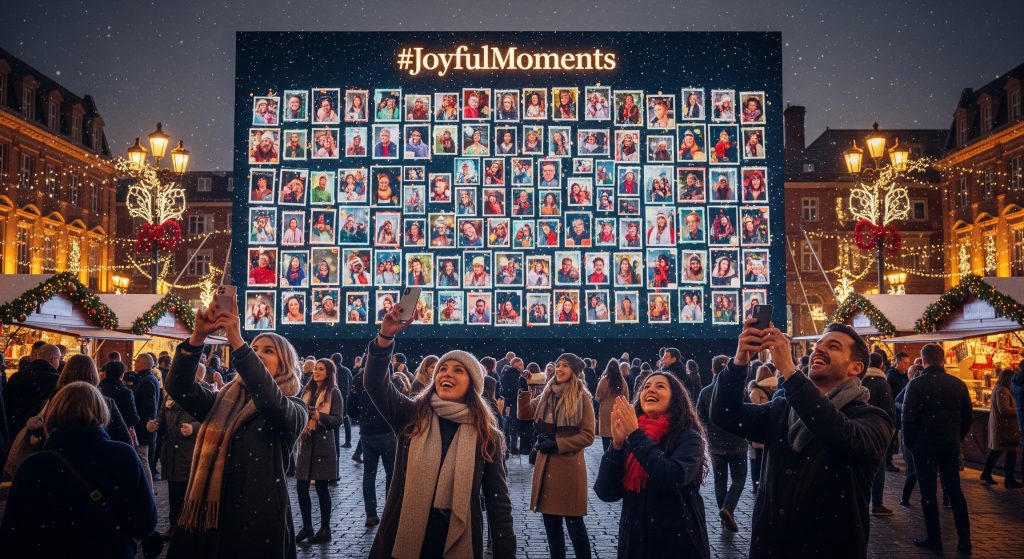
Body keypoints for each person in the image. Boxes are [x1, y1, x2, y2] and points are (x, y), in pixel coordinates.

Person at [711, 321, 893, 558]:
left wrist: (790, 370)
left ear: (855, 368)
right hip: (770, 549)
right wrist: (739, 362)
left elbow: (840, 436)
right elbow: (726, 415)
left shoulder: (872, 418)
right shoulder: (782, 408)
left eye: (833, 346)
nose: (818, 349)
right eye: (818, 344)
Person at [362, 305, 516, 558]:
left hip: (457, 540)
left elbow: (497, 499)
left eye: (458, 370)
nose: (447, 373)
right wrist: (385, 337)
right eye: (443, 369)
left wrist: (505, 549)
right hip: (404, 537)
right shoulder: (412, 415)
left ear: (473, 384)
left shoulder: (487, 434)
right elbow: (375, 384)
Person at [164, 301, 306, 558]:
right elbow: (179, 386)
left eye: (269, 351)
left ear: (284, 364)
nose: (259, 353)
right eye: (254, 349)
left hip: (257, 523)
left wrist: (239, 343)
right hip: (209, 521)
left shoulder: (294, 408)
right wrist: (198, 336)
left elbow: (270, 402)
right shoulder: (222, 400)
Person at [0, 382, 158, 557]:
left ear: (54, 414)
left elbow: (13, 535)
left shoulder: (34, 466)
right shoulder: (123, 456)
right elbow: (145, 522)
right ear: (102, 412)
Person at [594, 372, 710, 559]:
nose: (651, 389)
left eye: (660, 386)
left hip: (677, 544)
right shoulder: (632, 436)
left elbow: (672, 477)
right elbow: (606, 492)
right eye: (646, 386)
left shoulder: (689, 437)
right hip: (635, 543)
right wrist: (616, 447)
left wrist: (635, 435)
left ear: (675, 398)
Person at [521, 353, 596, 559]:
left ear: (574, 370)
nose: (559, 369)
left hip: (568, 469)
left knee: (575, 527)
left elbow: (588, 436)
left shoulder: (582, 396)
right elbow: (525, 414)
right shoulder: (547, 393)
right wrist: (525, 387)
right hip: (546, 468)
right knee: (552, 528)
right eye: (557, 365)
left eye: (565, 365)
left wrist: (558, 444)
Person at [902, 343, 974, 552]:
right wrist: (955, 437)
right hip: (949, 446)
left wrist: (911, 444)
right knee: (955, 491)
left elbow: (908, 420)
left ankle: (935, 538)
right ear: (943, 360)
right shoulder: (958, 384)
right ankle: (964, 539)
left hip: (923, 447)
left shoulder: (915, 385)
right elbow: (967, 417)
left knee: (928, 494)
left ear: (923, 361)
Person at [294, 359, 344, 543]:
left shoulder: (334, 393)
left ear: (329, 372)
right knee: (301, 487)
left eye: (321, 369)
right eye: (315, 368)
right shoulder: (307, 391)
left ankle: (325, 529)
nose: (316, 371)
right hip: (306, 443)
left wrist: (318, 416)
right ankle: (307, 526)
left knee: (322, 489)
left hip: (323, 445)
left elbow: (338, 420)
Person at [696, 357, 748, 532]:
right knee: (739, 478)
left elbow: (699, 418)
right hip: (738, 442)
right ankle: (729, 507)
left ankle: (724, 512)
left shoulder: (705, 392)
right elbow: (750, 412)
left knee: (720, 480)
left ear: (712, 371)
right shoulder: (740, 391)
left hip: (716, 444)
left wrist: (708, 434)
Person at [148, 375, 201, 541]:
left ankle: (189, 528)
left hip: (188, 452)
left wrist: (194, 428)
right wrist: (155, 423)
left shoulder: (201, 394)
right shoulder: (170, 396)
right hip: (171, 451)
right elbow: (162, 416)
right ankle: (175, 527)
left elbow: (210, 421)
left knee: (188, 492)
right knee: (173, 492)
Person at [861, 352, 897, 516]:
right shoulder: (882, 384)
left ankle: (862, 502)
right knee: (878, 467)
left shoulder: (859, 380)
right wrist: (891, 429)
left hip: (858, 428)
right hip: (876, 430)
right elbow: (889, 410)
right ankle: (877, 503)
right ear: (882, 365)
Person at [5, 343, 60, 436]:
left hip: (15, 429)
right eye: (59, 359)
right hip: (40, 434)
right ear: (53, 359)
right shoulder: (57, 381)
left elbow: (6, 406)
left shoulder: (16, 377)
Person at [980, 369, 1021, 487]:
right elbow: (1004, 409)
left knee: (998, 451)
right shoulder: (1002, 390)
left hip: (1002, 426)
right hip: (1005, 427)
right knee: (1010, 451)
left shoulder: (1000, 389)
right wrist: (1019, 410)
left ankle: (987, 473)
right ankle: (1009, 479)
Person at [745, 362, 776, 494]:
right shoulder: (776, 388)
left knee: (756, 461)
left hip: (758, 433)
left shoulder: (755, 391)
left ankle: (757, 486)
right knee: (768, 459)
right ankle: (766, 483)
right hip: (772, 430)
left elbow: (752, 411)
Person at [132, 353, 161, 487]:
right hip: (145, 427)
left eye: (136, 361)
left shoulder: (147, 380)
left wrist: (143, 424)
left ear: (143, 364)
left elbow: (150, 406)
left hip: (144, 428)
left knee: (144, 462)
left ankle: (148, 491)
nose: (134, 363)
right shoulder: (146, 378)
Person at [595, 358, 630, 451]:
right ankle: (615, 459)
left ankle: (607, 458)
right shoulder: (622, 382)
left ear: (608, 368)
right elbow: (626, 398)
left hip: (605, 412)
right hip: (618, 410)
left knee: (606, 439)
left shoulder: (603, 381)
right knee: (617, 437)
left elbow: (598, 397)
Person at [885, 351, 911, 471]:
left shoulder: (904, 376)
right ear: (897, 362)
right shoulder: (891, 377)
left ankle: (889, 460)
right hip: (893, 411)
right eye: (905, 363)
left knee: (896, 438)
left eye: (908, 363)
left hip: (900, 411)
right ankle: (887, 462)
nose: (907, 366)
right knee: (891, 438)